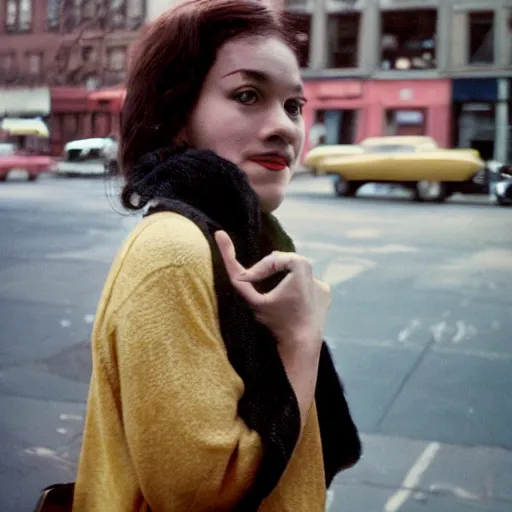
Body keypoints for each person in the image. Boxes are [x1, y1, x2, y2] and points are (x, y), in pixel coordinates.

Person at [71, 1, 361, 511]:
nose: (286, 128)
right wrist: (299, 339)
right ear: (177, 115)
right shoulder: (174, 252)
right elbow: (199, 493)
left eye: (294, 105)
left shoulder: (245, 241)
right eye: (248, 95)